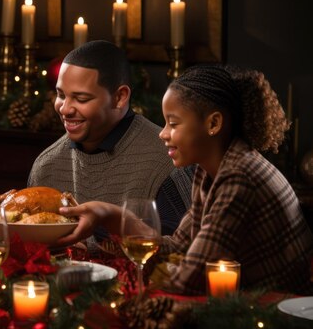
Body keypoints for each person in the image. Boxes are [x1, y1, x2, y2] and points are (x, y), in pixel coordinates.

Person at [58, 64, 313, 295]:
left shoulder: (239, 177)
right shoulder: (210, 169)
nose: (163, 134)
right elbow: (179, 246)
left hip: (275, 314)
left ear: (213, 123)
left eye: (173, 123)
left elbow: (189, 279)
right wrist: (108, 215)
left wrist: (122, 283)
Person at [28, 40, 193, 237]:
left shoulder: (167, 161)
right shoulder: (45, 166)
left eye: (81, 99)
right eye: (61, 95)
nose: (64, 109)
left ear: (120, 97)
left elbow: (183, 252)